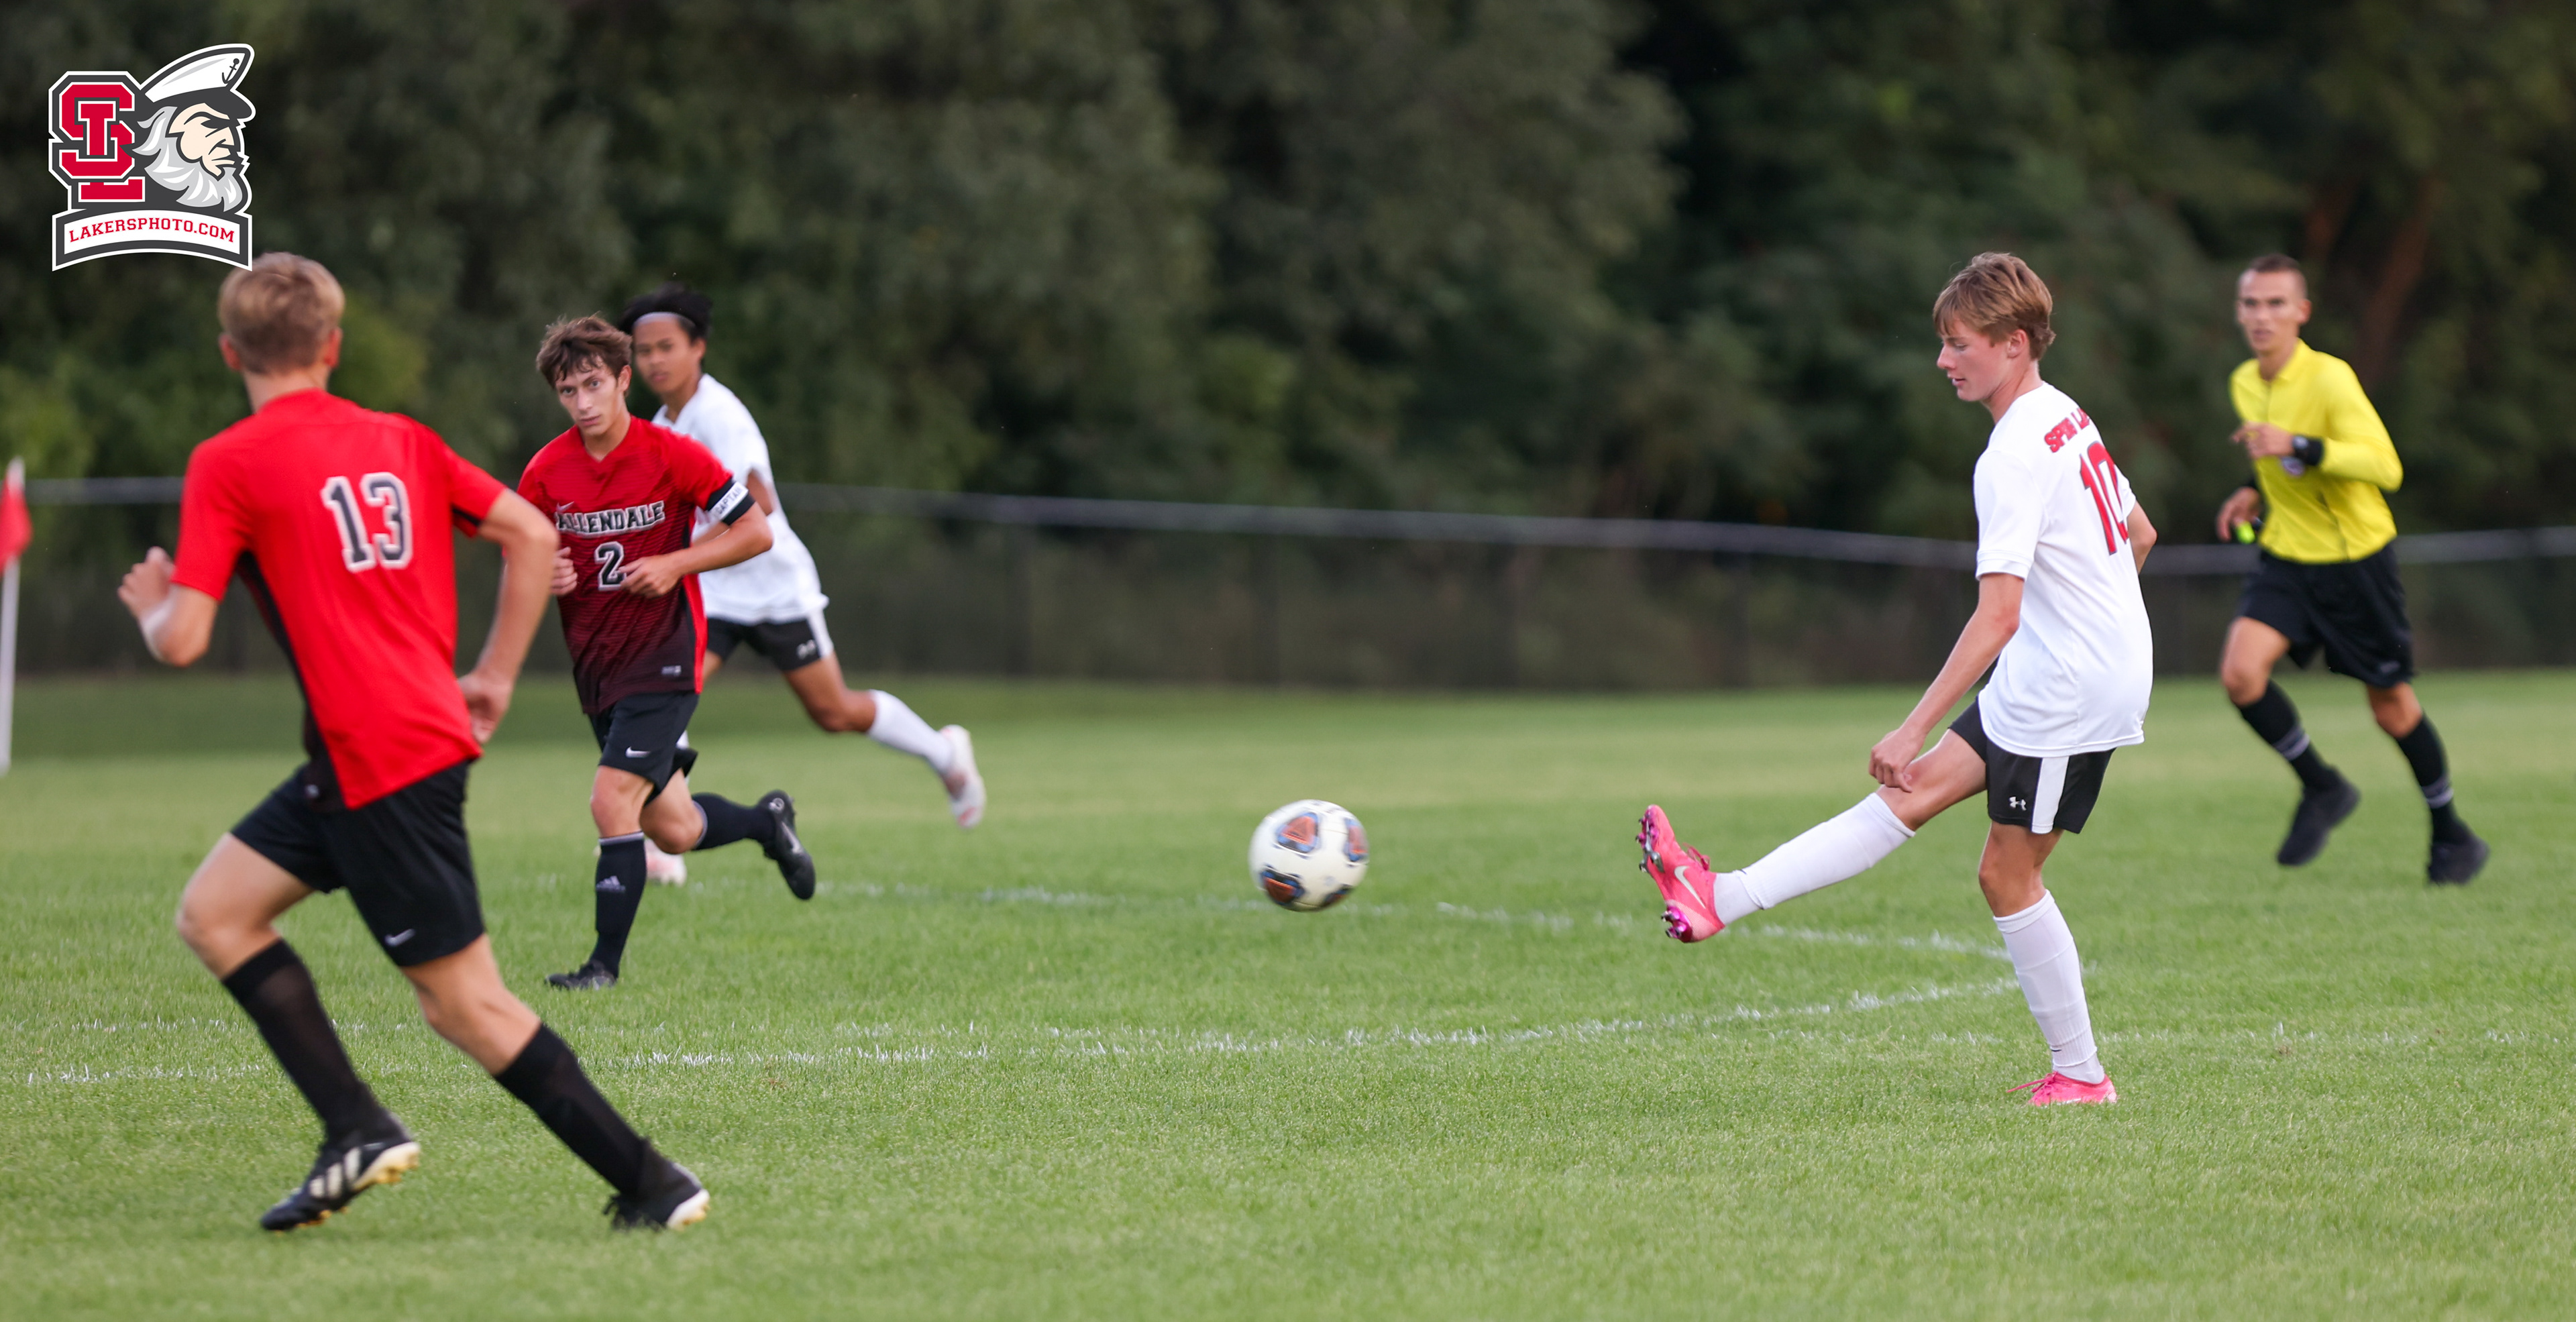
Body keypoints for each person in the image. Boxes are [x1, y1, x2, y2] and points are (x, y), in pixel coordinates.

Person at [117, 253, 708, 1231]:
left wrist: (149, 607)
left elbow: (181, 639)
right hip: (370, 748)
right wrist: (495, 674)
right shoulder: (401, 437)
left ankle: (652, 1181)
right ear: (333, 347)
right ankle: (354, 1127)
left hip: (381, 758)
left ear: (230, 353)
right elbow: (530, 534)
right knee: (216, 913)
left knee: (467, 1006)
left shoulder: (229, 459)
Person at [1637, 253, 2157, 1106]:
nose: (1944, 360)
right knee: (1906, 797)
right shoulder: (2065, 413)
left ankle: (2082, 1076)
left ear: (2015, 343)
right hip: (2065, 669)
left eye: (1961, 344)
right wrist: (2096, 622)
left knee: (2006, 876)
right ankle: (1717, 897)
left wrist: (1913, 725)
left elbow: (1999, 616)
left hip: (2068, 687)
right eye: (1943, 343)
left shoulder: (2011, 455)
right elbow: (2139, 534)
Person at [614, 283, 984, 892]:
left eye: (666, 347)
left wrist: (678, 558)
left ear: (698, 348)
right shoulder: (660, 424)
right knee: (669, 690)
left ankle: (946, 754)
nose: (654, 360)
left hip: (772, 585)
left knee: (833, 711)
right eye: (644, 349)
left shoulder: (720, 416)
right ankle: (664, 840)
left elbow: (758, 504)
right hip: (713, 590)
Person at [517, 316, 816, 992]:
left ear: (624, 379)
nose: (584, 402)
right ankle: (768, 823)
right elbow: (521, 546)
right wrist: (544, 568)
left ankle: (601, 968)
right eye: (569, 391)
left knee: (610, 801)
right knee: (675, 828)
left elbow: (755, 530)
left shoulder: (671, 453)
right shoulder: (546, 470)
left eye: (595, 384)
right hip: (599, 669)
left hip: (666, 657)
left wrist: (675, 563)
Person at [2213, 254, 2486, 883]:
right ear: (2239, 312)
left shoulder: (2330, 379)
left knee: (2391, 708)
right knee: (2240, 674)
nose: (2262, 316)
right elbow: (2275, 460)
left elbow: (2385, 466)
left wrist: (2299, 446)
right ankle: (2323, 785)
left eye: (2276, 303)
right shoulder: (2244, 382)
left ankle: (2452, 833)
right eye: (2251, 303)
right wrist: (2254, 489)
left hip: (2355, 564)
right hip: (2288, 558)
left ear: (2302, 312)